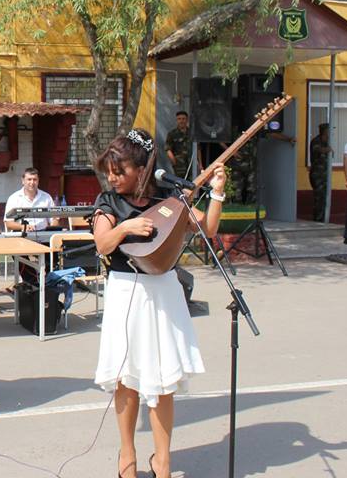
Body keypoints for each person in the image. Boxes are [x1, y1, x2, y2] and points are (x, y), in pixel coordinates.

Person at [91, 128, 225, 478]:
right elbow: (103, 244)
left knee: (163, 380)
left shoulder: (170, 197)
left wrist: (218, 193)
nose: (112, 176)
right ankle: (128, 457)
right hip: (125, 291)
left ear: (143, 169)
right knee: (127, 379)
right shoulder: (109, 202)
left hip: (164, 289)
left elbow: (207, 230)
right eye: (109, 170)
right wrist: (126, 229)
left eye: (119, 170)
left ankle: (162, 461)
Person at [3, 167, 55, 232]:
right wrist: (23, 227)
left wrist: (52, 228)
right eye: (29, 179)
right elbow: (8, 223)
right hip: (22, 235)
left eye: (35, 179)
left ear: (38, 181)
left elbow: (54, 220)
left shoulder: (47, 197)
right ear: (23, 181)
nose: (32, 182)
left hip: (43, 235)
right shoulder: (14, 198)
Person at [309, 123, 331, 223]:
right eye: (328, 130)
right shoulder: (316, 141)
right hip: (317, 174)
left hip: (325, 175)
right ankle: (317, 219)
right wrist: (328, 149)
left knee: (324, 197)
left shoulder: (327, 142)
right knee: (319, 197)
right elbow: (319, 150)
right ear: (324, 131)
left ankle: (322, 218)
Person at [164, 111, 194, 179]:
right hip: (179, 165)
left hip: (192, 164)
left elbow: (197, 148)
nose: (181, 121)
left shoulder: (192, 133)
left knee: (192, 183)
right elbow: (168, 149)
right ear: (177, 120)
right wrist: (174, 162)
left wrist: (199, 164)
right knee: (180, 183)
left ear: (187, 120)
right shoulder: (172, 134)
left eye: (183, 119)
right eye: (179, 119)